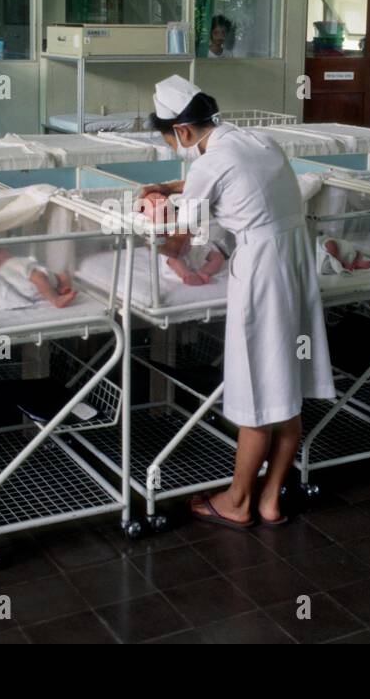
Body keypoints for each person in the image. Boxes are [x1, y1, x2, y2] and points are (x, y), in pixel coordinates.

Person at [140, 75, 335, 528]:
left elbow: (178, 246)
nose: (177, 149)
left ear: (183, 132)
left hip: (262, 270)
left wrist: (145, 231)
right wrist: (171, 191)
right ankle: (270, 500)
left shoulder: (208, 166)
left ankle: (238, 500)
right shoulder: (257, 141)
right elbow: (221, 184)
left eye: (172, 141)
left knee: (257, 389)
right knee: (286, 387)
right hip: (294, 261)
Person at [0, 247, 77, 308]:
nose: (5, 249)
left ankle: (62, 290)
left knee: (63, 275)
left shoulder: (2, 267)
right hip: (37, 282)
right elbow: (33, 273)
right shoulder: (9, 263)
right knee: (40, 277)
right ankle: (55, 299)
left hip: (36, 288)